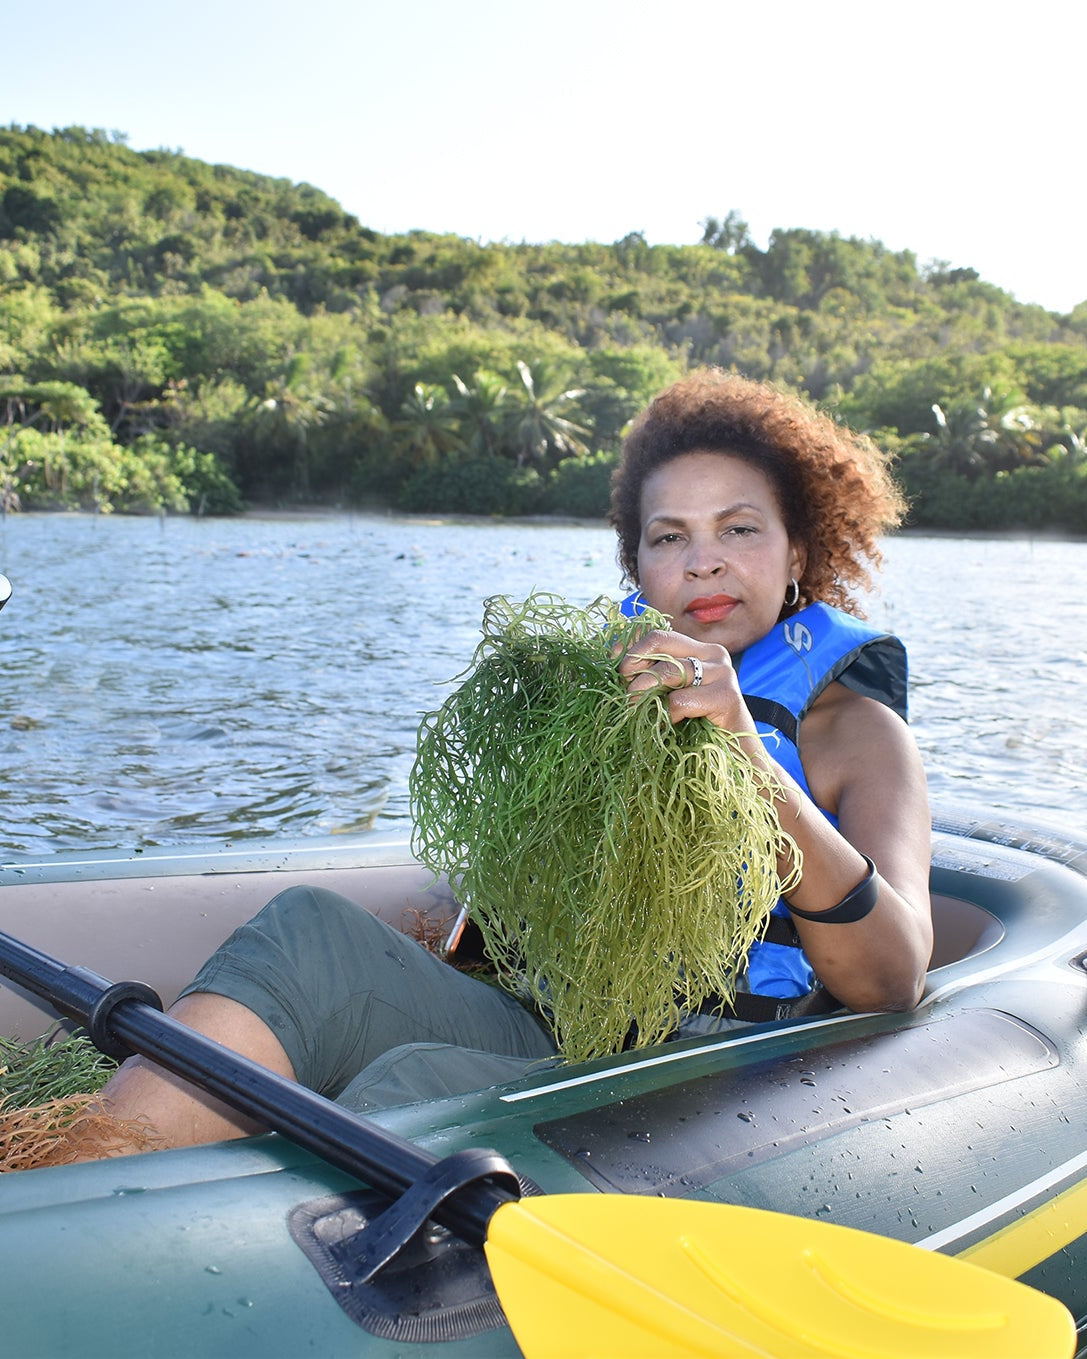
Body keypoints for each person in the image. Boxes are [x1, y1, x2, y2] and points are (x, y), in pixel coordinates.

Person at [81, 369, 932, 1155]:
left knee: (413, 1090)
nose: (701, 559)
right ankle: (74, 1201)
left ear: (796, 556)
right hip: (572, 1029)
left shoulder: (853, 733)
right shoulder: (602, 717)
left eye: (738, 528)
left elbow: (893, 976)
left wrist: (745, 751)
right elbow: (514, 931)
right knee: (307, 934)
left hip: (725, 1088)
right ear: (636, 567)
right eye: (668, 537)